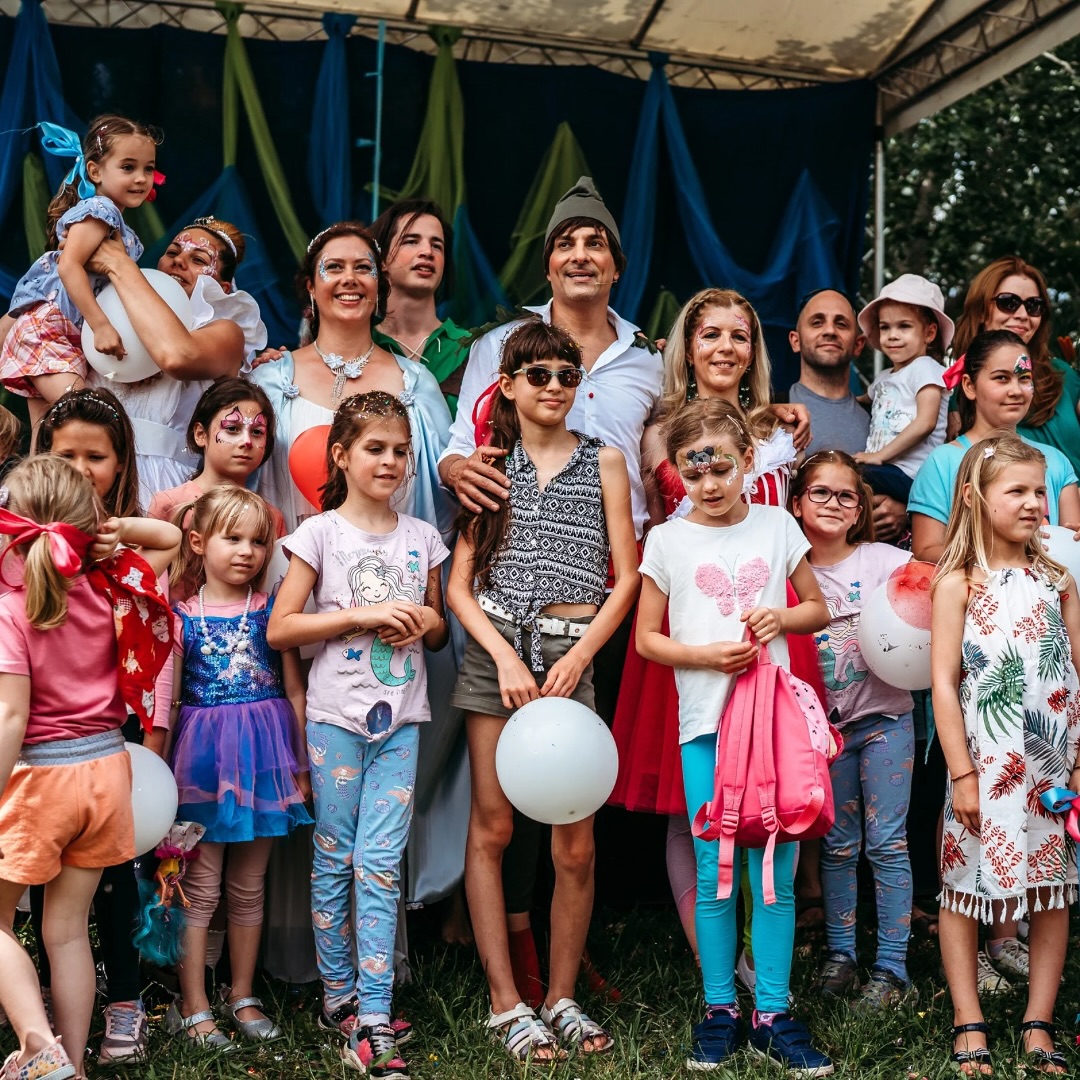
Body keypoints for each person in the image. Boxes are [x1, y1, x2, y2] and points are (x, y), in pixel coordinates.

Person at [609, 287, 822, 984]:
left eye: (740, 335)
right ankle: (715, 963)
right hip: (688, 635)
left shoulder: (781, 429)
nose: (726, 347)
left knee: (775, 794)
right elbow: (651, 527)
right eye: (711, 334)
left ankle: (767, 962)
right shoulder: (657, 431)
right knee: (691, 808)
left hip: (770, 634)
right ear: (687, 347)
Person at [446, 320, 637, 1062]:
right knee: (492, 829)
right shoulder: (490, 467)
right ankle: (506, 1002)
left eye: (566, 375)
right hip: (497, 655)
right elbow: (459, 588)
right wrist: (502, 657)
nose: (554, 387)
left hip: (568, 653)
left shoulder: (605, 460)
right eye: (538, 375)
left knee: (575, 843)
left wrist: (581, 654)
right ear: (509, 385)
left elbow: (626, 577)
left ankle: (560, 996)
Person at [635, 399, 832, 1074]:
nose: (710, 484)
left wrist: (782, 617)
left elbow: (817, 608)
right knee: (714, 867)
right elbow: (648, 638)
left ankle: (772, 1011)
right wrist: (703, 657)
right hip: (704, 728)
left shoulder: (777, 526)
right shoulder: (667, 542)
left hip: (771, 728)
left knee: (773, 870)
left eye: (721, 468)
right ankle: (720, 1007)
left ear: (747, 460)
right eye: (694, 473)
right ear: (677, 473)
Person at [268, 391, 449, 1079]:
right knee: (334, 856)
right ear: (341, 456)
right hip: (334, 720)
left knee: (380, 861)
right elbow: (282, 628)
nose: (391, 461)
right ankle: (338, 997)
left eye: (401, 450)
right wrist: (359, 617)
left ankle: (373, 1012)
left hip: (401, 719)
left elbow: (438, 628)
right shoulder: (318, 535)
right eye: (376, 448)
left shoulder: (422, 538)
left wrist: (423, 622)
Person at [0, 455, 179, 1080]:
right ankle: (72, 1066)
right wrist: (117, 533)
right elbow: (171, 536)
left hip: (39, 778)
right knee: (69, 931)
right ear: (91, 526)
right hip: (107, 771)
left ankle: (36, 1042)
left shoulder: (10, 607)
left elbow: (10, 716)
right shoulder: (113, 588)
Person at [932, 433, 1080, 1077]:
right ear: (974, 497)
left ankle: (1038, 1021)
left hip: (1051, 764)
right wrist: (962, 774)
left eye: (1039, 492)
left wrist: (1078, 761)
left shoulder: (1058, 580)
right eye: (1016, 491)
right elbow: (944, 683)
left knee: (1053, 890)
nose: (1033, 504)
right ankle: (968, 1018)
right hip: (983, 767)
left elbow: (1076, 671)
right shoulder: (959, 583)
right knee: (962, 885)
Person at [32, 388, 166, 1062]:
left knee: (117, 875)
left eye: (97, 457)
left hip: (110, 735)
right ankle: (48, 1005)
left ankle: (124, 1003)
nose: (82, 470)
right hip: (37, 742)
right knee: (45, 882)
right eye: (66, 457)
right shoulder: (23, 550)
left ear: (121, 465)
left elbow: (168, 540)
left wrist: (117, 531)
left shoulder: (117, 557)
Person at [163, 486, 311, 1049]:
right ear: (198, 543)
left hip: (265, 762)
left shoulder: (272, 611)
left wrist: (300, 766)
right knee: (200, 888)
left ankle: (242, 993)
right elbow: (169, 702)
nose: (247, 551)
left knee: (249, 885)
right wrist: (161, 777)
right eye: (233, 538)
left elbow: (294, 690)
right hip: (201, 766)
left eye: (258, 541)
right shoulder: (182, 616)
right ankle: (192, 1003)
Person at [791, 451, 915, 1009]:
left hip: (887, 721)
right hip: (825, 733)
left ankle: (891, 967)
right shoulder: (790, 570)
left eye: (847, 495)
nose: (834, 503)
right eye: (821, 492)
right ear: (797, 503)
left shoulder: (884, 561)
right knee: (838, 845)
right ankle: (841, 954)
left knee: (887, 842)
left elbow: (933, 594)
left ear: (861, 509)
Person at [255, 221, 453, 536]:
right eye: (334, 267)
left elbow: (445, 494)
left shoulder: (416, 382)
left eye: (363, 268)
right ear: (311, 287)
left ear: (379, 286)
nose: (349, 278)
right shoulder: (270, 379)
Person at [75, 217, 267, 505]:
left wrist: (120, 264)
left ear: (224, 287)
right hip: (91, 472)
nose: (179, 261)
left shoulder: (228, 333)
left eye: (198, 259)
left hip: (164, 486)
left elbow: (177, 356)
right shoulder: (106, 314)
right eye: (173, 252)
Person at [0, 116, 158, 429]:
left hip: (64, 337)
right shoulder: (101, 210)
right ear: (95, 171)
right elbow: (68, 265)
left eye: (149, 168)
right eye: (128, 167)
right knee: (85, 415)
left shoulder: (117, 225)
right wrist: (101, 326)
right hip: (50, 332)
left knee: (47, 436)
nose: (141, 178)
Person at [787, 288, 908, 543]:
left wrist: (905, 511)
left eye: (841, 324)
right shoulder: (772, 411)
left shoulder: (881, 419)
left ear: (859, 344)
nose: (830, 330)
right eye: (817, 322)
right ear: (795, 341)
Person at [947, 256, 1080, 475]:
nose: (1022, 315)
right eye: (1008, 302)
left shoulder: (1062, 372)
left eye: (1034, 305)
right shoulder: (959, 389)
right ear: (981, 312)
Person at [854, 275, 951, 503]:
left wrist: (880, 455)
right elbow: (859, 400)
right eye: (885, 327)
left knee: (847, 474)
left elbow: (926, 422)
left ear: (929, 333)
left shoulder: (926, 368)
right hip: (886, 470)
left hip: (913, 474)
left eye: (904, 326)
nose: (893, 335)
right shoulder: (883, 377)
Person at [370, 198, 471, 416]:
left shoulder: (473, 348)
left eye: (437, 245)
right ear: (382, 260)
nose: (427, 251)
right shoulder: (362, 346)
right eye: (411, 241)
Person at [149, 376, 286, 537]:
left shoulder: (271, 517)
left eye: (257, 432)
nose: (247, 441)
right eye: (232, 429)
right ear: (200, 434)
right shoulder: (170, 505)